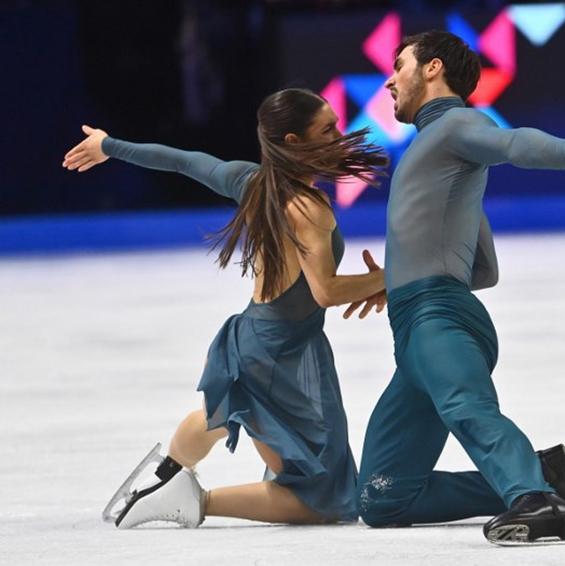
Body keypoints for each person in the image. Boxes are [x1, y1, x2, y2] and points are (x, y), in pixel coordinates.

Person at [356, 31, 565, 545]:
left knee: (470, 410)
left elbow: (514, 144)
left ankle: (533, 500)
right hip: (420, 331)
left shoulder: (456, 124)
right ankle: (545, 478)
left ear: (432, 69)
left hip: (436, 319)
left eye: (399, 64)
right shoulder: (440, 152)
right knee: (381, 498)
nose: (388, 78)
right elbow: (484, 269)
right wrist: (401, 273)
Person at [62, 88, 389, 528]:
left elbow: (184, 160)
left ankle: (166, 475)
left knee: (225, 413)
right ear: (293, 141)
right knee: (326, 500)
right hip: (280, 350)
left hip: (258, 335)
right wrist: (399, 274)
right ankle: (190, 501)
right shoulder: (309, 208)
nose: (338, 134)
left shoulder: (251, 182)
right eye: (327, 128)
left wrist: (109, 146)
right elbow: (326, 291)